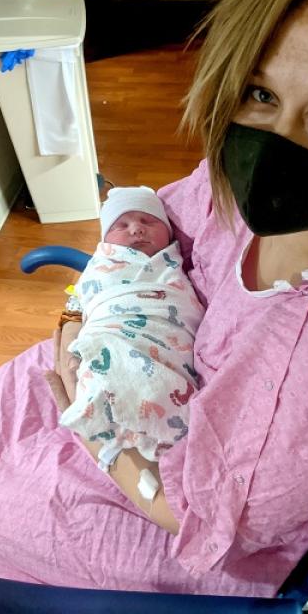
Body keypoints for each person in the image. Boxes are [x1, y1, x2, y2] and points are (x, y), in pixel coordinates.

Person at [0, 0, 308, 598]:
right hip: (143, 375)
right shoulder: (233, 194)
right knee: (15, 385)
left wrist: (92, 424)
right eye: (260, 93)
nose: (275, 146)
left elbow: (207, 524)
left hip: (193, 520)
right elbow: (166, 219)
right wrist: (83, 310)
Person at [56, 187, 203, 477]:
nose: (136, 229)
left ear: (169, 234)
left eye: (148, 222)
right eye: (122, 225)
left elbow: (185, 306)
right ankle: (112, 419)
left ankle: (149, 431)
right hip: (114, 328)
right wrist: (73, 326)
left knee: (168, 387)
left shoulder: (173, 267)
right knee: (101, 368)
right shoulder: (99, 266)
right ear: (105, 240)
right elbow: (81, 300)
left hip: (162, 332)